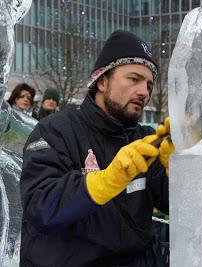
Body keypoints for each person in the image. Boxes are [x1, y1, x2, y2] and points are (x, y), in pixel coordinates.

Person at [19, 30, 175, 266]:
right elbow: (40, 206)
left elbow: (173, 206)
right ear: (102, 81)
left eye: (149, 84)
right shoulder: (55, 130)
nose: (144, 92)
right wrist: (105, 181)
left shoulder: (146, 139)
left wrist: (177, 171)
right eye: (134, 79)